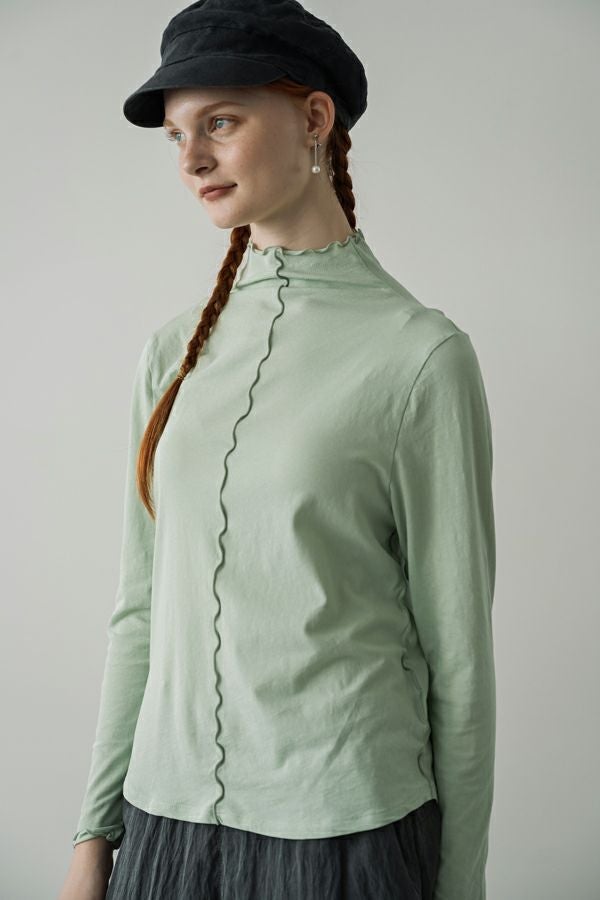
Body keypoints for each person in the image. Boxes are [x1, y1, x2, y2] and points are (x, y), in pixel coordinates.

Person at [59, 1, 497, 898]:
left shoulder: (419, 357)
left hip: (347, 836)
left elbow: (459, 658)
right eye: (177, 134)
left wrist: (460, 885)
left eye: (220, 121)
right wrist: (94, 833)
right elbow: (141, 610)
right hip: (166, 829)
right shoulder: (172, 354)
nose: (191, 158)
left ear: (314, 119)